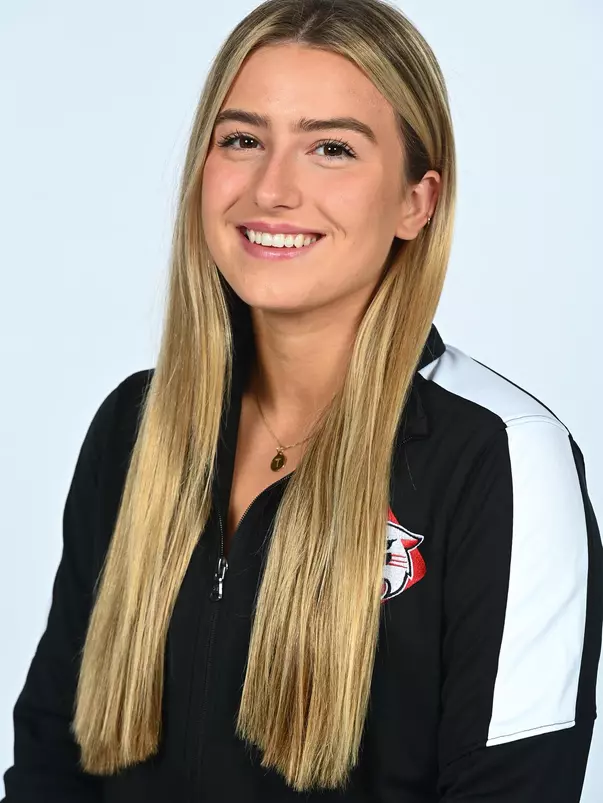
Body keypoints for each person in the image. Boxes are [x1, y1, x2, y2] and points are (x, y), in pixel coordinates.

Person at [2, 0, 601, 801]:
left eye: (331, 149)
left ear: (414, 203)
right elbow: (52, 759)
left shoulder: (501, 456)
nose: (272, 189)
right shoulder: (133, 427)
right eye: (242, 140)